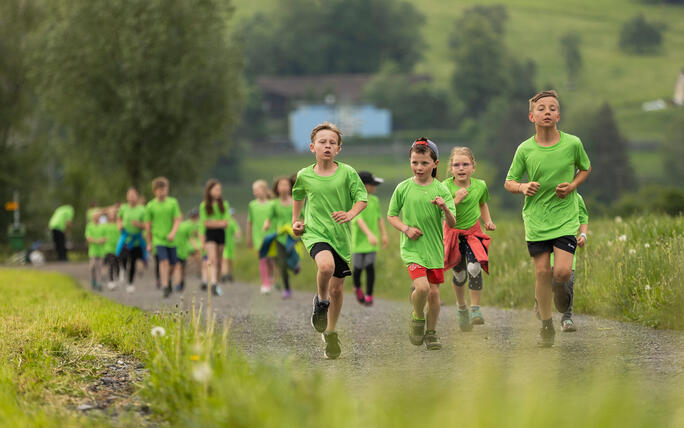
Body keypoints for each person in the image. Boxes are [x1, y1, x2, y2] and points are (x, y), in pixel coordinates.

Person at [504, 90, 591, 348]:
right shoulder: (525, 149)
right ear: (532, 116)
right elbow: (509, 182)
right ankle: (546, 323)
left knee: (562, 273)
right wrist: (522, 187)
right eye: (541, 108)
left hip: (565, 216)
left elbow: (585, 168)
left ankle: (551, 301)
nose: (547, 112)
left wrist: (573, 185)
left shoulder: (572, 143)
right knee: (542, 272)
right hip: (536, 219)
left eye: (552, 108)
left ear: (559, 116)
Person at [292, 122, 367, 359]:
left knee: (337, 289)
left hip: (340, 236)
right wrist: (296, 221)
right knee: (326, 266)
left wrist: (350, 214)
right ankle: (321, 303)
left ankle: (331, 333)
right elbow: (298, 196)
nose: (327, 146)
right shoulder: (304, 175)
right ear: (312, 147)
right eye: (323, 142)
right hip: (315, 232)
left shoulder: (347, 173)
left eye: (332, 143)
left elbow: (361, 199)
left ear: (338, 149)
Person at [387, 138, 457, 351]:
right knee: (422, 287)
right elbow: (392, 216)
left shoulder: (441, 189)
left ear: (435, 164)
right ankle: (417, 317)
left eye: (424, 163)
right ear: (410, 161)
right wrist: (406, 229)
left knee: (434, 294)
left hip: (434, 250)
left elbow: (452, 222)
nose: (419, 167)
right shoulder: (403, 188)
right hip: (412, 249)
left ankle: (432, 332)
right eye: (415, 162)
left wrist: (444, 207)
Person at [442, 147, 495, 331]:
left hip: (473, 232)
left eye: (465, 164)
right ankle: (461, 307)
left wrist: (487, 221)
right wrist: (455, 199)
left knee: (474, 267)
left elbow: (482, 204)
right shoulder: (445, 187)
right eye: (456, 165)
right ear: (451, 168)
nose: (461, 168)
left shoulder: (480, 185)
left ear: (473, 167)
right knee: (460, 274)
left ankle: (475, 309)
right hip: (453, 233)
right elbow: (441, 212)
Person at [535, 194, 589, 332]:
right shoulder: (545, 196)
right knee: (547, 280)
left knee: (568, 282)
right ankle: (540, 300)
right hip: (547, 245)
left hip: (567, 246)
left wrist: (583, 235)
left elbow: (583, 218)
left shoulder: (577, 198)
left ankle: (566, 318)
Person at [350, 171, 388, 306]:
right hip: (359, 241)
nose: (375, 187)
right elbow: (358, 219)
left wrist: (384, 234)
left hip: (372, 241)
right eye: (373, 184)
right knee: (358, 267)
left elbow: (379, 218)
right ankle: (357, 287)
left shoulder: (375, 200)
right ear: (365, 186)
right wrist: (369, 234)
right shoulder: (355, 200)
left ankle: (369, 295)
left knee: (370, 266)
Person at [145, 177, 182, 298]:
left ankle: (168, 280)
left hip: (171, 239)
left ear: (167, 189)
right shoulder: (150, 206)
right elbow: (148, 226)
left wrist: (173, 232)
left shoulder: (173, 203)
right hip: (158, 239)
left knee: (173, 265)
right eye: (159, 189)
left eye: (164, 189)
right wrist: (149, 243)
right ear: (154, 191)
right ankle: (165, 286)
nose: (161, 192)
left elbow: (177, 220)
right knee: (163, 261)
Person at [264, 176, 296, 299]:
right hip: (280, 237)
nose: (283, 187)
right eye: (281, 185)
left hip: (293, 237)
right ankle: (287, 288)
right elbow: (269, 217)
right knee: (282, 264)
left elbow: (303, 215)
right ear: (277, 188)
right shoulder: (274, 204)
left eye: (286, 184)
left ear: (290, 187)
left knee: (292, 261)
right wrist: (266, 224)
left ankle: (295, 265)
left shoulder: (295, 201)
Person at [199, 179, 231, 296]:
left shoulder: (224, 205)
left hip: (221, 234)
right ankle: (212, 282)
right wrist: (219, 222)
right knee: (212, 259)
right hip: (210, 235)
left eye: (220, 190)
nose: (218, 192)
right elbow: (205, 223)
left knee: (219, 260)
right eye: (216, 189)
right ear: (209, 190)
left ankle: (216, 283)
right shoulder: (204, 206)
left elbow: (226, 222)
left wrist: (214, 222)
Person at [247, 180, 276, 294]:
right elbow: (250, 222)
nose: (255, 193)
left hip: (271, 235)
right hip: (258, 236)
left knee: (271, 260)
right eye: (254, 191)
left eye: (257, 190)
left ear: (264, 190)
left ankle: (271, 278)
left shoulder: (272, 204)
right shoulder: (252, 205)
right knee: (263, 259)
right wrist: (249, 237)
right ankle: (265, 283)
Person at [116, 187, 148, 293]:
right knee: (123, 256)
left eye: (133, 195)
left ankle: (130, 283)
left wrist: (138, 224)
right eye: (129, 195)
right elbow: (119, 218)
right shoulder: (123, 208)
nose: (131, 198)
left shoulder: (142, 210)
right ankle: (122, 269)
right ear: (127, 197)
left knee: (133, 261)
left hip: (137, 239)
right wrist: (120, 225)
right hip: (126, 237)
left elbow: (146, 225)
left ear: (137, 196)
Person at [175, 208, 201, 292]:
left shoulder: (186, 225)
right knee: (177, 267)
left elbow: (191, 237)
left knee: (183, 268)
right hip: (174, 248)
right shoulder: (171, 225)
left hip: (184, 249)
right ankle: (177, 284)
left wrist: (195, 246)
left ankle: (182, 281)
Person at [85, 210, 106, 290]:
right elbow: (88, 238)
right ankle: (93, 280)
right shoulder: (89, 226)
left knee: (99, 267)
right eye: (95, 216)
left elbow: (106, 237)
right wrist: (96, 241)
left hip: (101, 251)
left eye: (98, 216)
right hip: (93, 250)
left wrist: (102, 240)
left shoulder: (103, 226)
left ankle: (99, 283)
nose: (96, 218)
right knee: (92, 267)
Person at [101, 207, 121, 290]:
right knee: (111, 263)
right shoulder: (104, 226)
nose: (112, 215)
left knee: (117, 265)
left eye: (113, 214)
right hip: (108, 248)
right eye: (110, 214)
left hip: (117, 248)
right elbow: (101, 236)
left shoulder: (118, 225)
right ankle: (111, 281)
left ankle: (117, 277)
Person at [221, 208, 241, 284]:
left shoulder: (232, 222)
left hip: (230, 244)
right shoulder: (223, 221)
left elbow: (237, 231)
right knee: (225, 260)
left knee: (229, 260)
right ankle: (224, 275)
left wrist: (237, 234)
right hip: (223, 243)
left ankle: (228, 274)